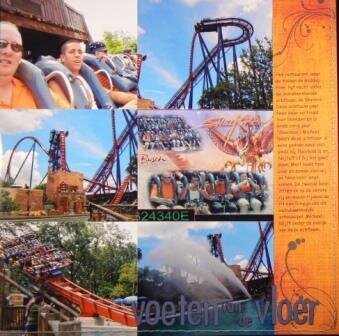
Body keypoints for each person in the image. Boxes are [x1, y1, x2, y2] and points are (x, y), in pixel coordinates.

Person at [0, 21, 69, 109]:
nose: (8, 51)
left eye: (16, 47)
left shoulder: (33, 88)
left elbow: (71, 116)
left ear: (20, 56)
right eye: (1, 44)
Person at [88, 41, 138, 108]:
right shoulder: (92, 71)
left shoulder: (106, 66)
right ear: (97, 53)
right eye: (105, 51)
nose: (107, 54)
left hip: (118, 93)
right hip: (110, 98)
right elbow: (106, 93)